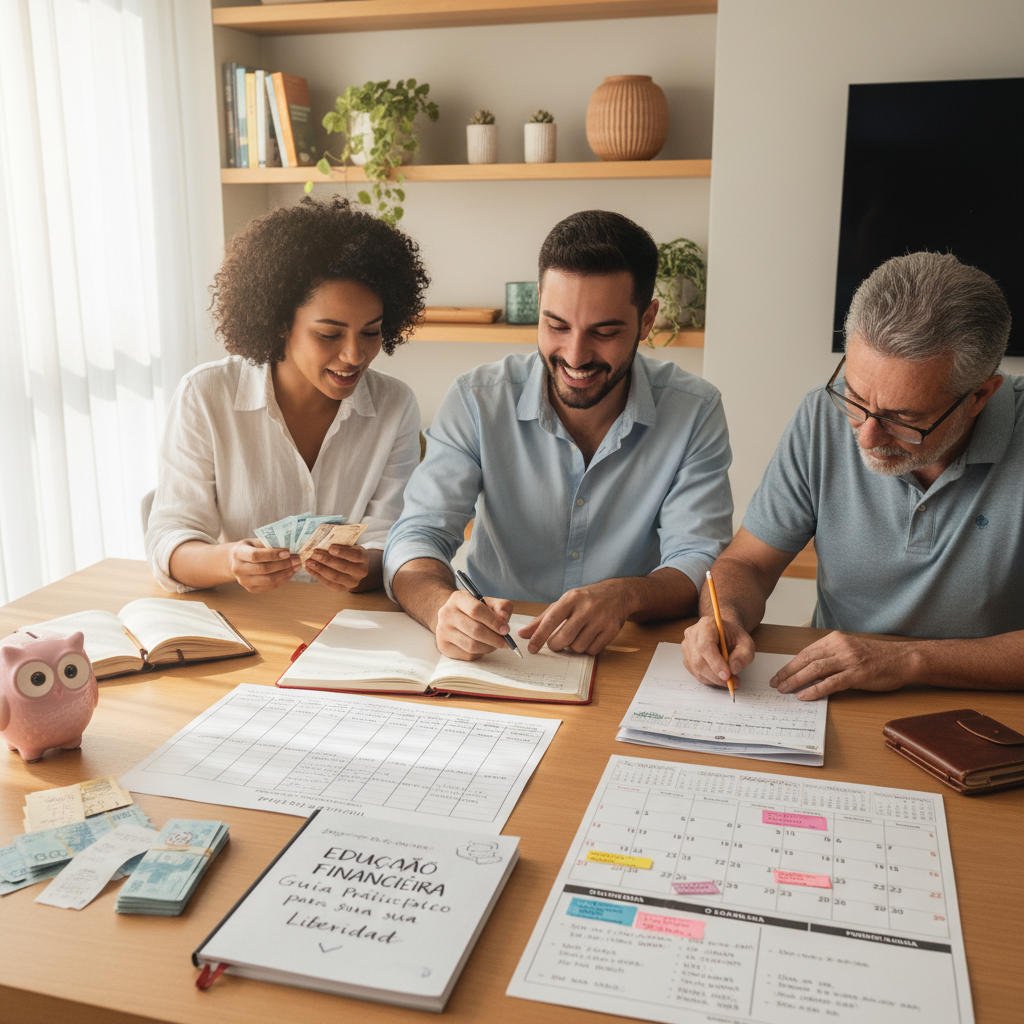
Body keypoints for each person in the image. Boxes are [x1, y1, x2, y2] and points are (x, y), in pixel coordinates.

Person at [384, 210, 733, 661]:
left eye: (604, 332)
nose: (575, 355)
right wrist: (439, 609)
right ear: (539, 303)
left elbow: (700, 559)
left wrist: (626, 595)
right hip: (496, 655)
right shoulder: (477, 399)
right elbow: (417, 534)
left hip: (625, 652)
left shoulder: (694, 410)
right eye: (557, 325)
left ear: (647, 320)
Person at [682, 251, 1024, 699]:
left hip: (986, 708)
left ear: (980, 396)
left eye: (904, 418)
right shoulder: (820, 416)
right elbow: (748, 564)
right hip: (838, 694)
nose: (865, 437)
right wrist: (723, 617)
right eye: (856, 398)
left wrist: (906, 660)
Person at [145, 195, 429, 595]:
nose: (355, 355)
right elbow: (169, 539)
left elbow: (392, 539)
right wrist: (230, 561)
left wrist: (365, 567)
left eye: (371, 332)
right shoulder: (206, 395)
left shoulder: (394, 406)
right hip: (246, 619)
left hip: (347, 620)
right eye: (328, 334)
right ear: (281, 323)